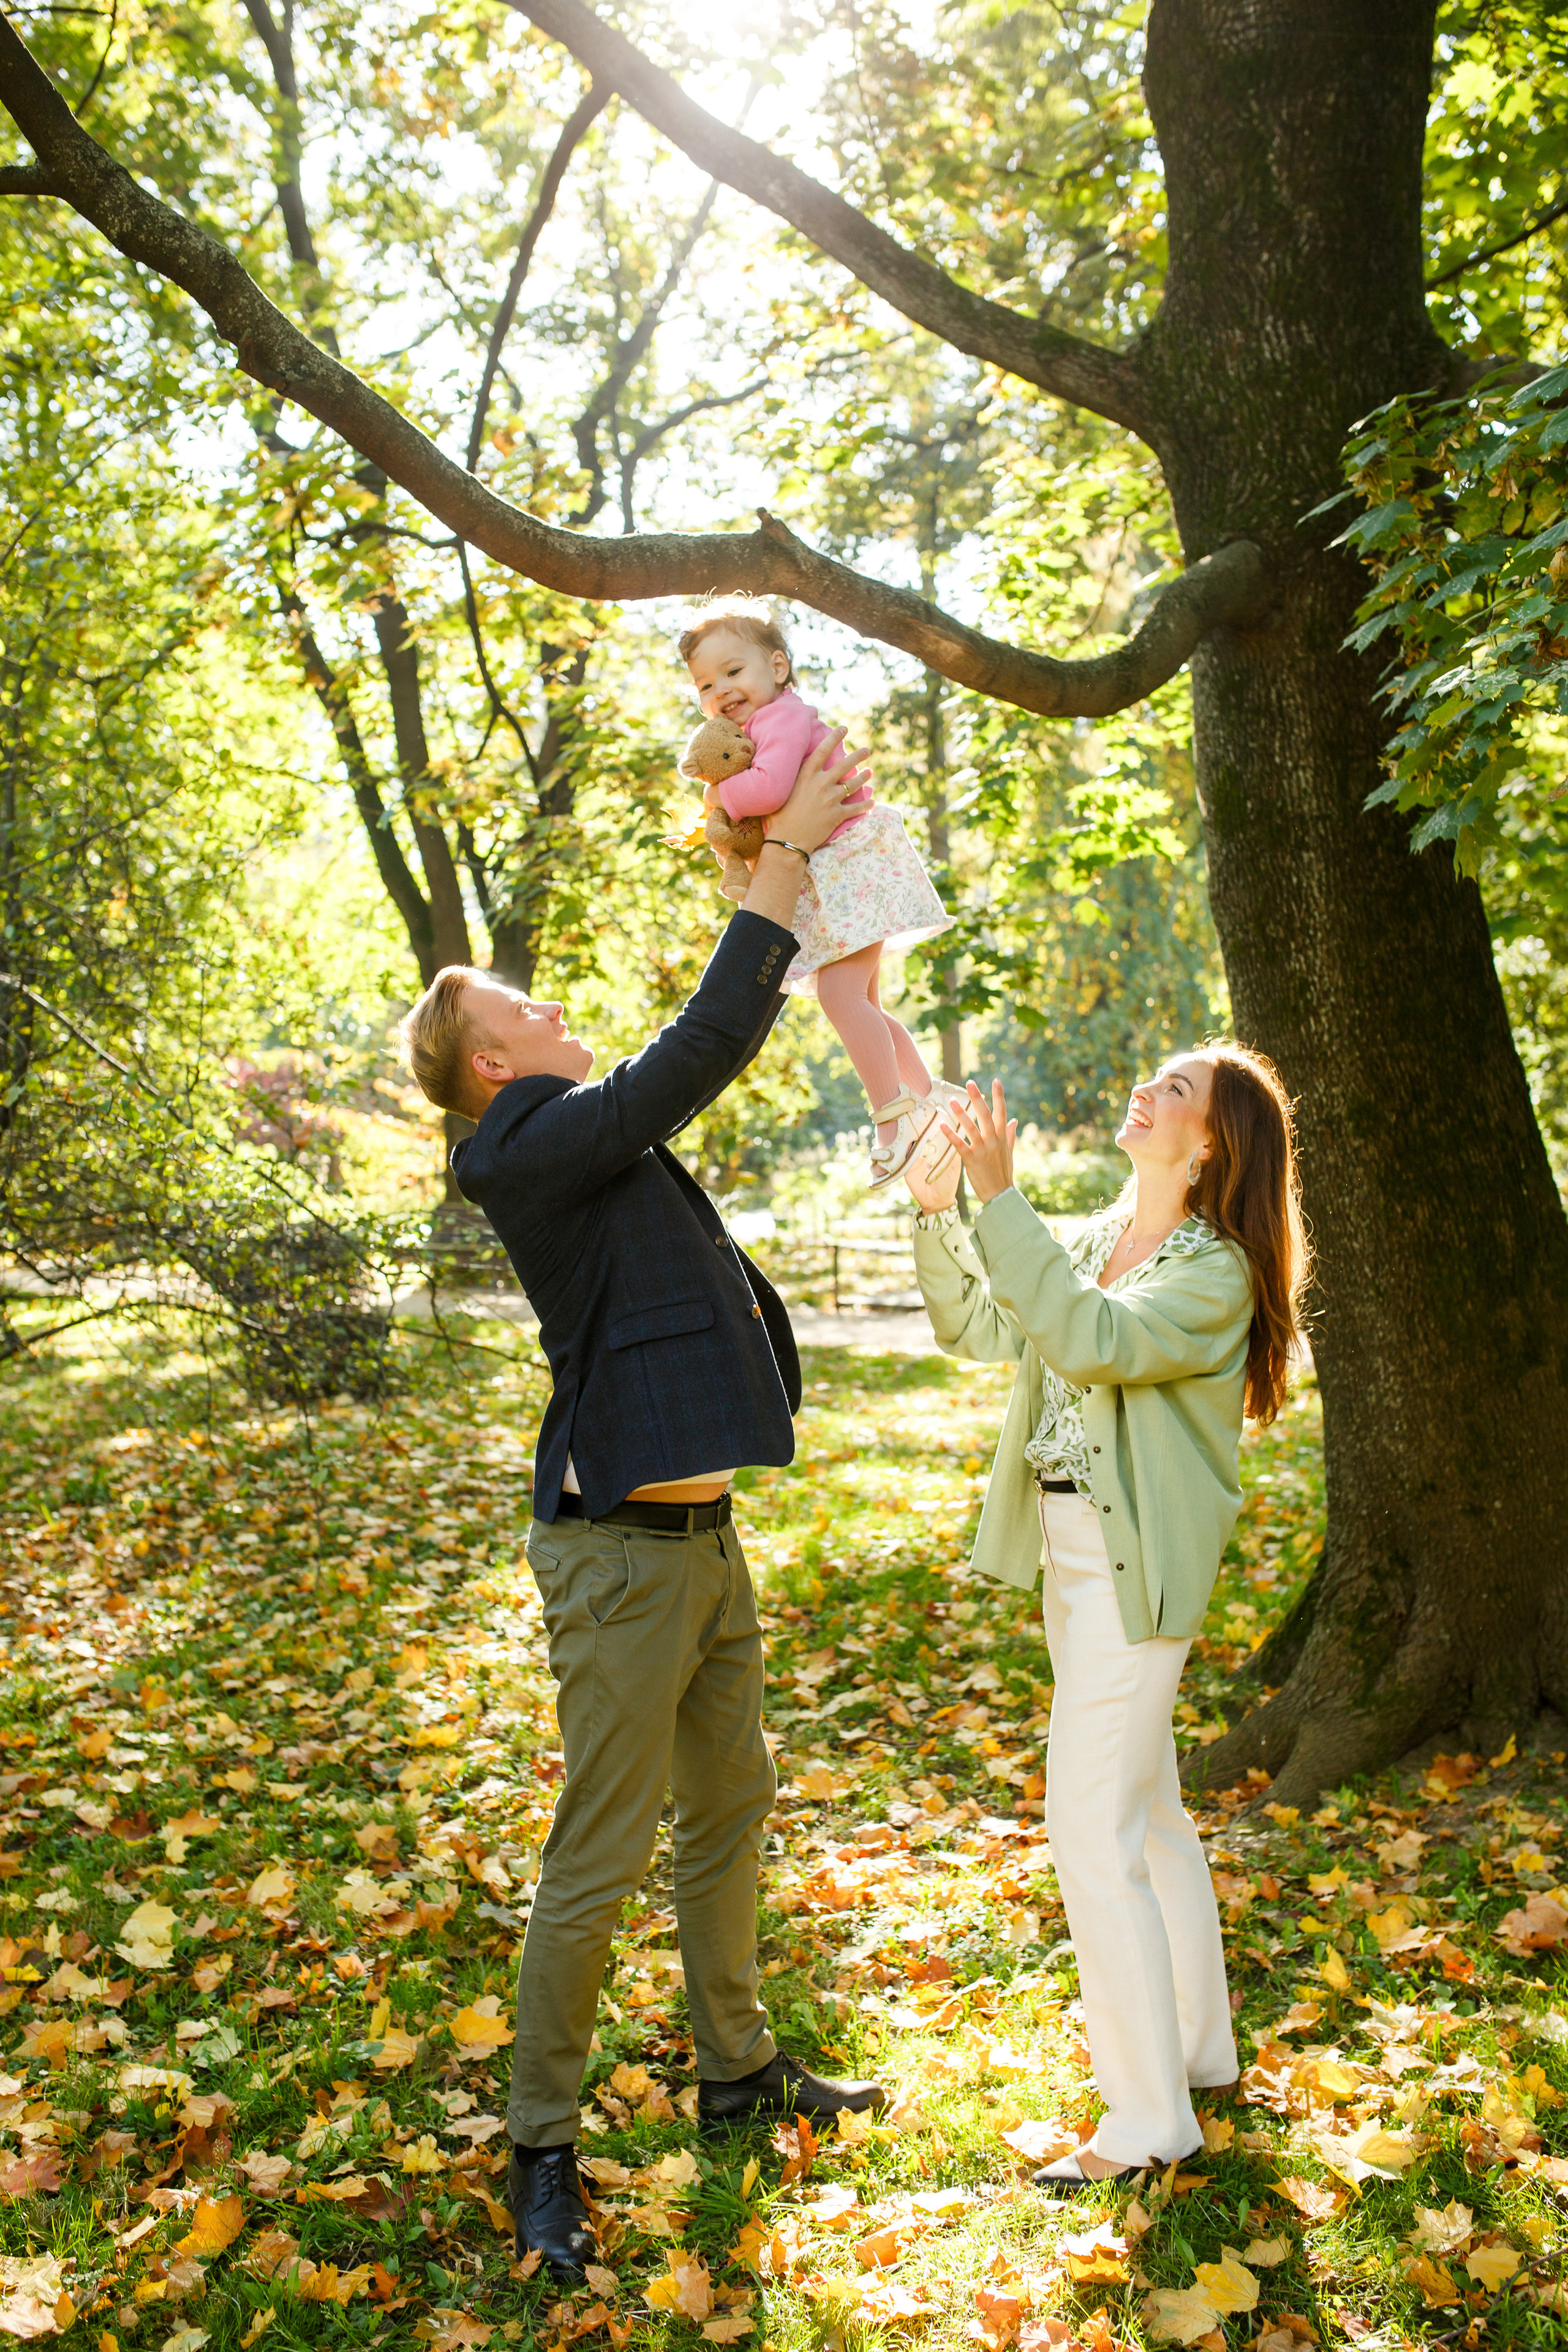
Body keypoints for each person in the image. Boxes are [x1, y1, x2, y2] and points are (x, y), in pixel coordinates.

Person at [399, 734, 886, 2284]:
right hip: (614, 1555)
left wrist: (760, 854)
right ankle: (541, 2142)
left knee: (729, 1812)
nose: (549, 1011)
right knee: (596, 1861)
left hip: (702, 1543)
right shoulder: (516, 1148)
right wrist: (781, 881)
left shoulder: (569, 1131)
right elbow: (689, 1054)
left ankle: (734, 2072)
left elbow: (670, 1066)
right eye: (520, 1010)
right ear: (488, 1061)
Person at [905, 1052, 1308, 2186]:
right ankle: (1198, 2049)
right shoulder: (1093, 1239)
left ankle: (1146, 2122)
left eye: (1178, 1090)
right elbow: (987, 1330)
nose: (1148, 1089)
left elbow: (1091, 1342)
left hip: (1134, 1576)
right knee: (1148, 1811)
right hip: (1069, 1560)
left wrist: (998, 1197)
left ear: (1212, 1145)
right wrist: (945, 1214)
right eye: (1155, 1076)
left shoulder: (1216, 1273)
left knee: (1089, 1829)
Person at [679, 595, 958, 1189]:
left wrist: (718, 800)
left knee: (840, 996)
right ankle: (932, 1098)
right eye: (705, 684)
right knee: (865, 1005)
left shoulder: (781, 717)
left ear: (777, 668)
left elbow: (773, 786)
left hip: (850, 866)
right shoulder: (757, 725)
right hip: (840, 870)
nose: (721, 691)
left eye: (734, 671)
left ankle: (893, 1122)